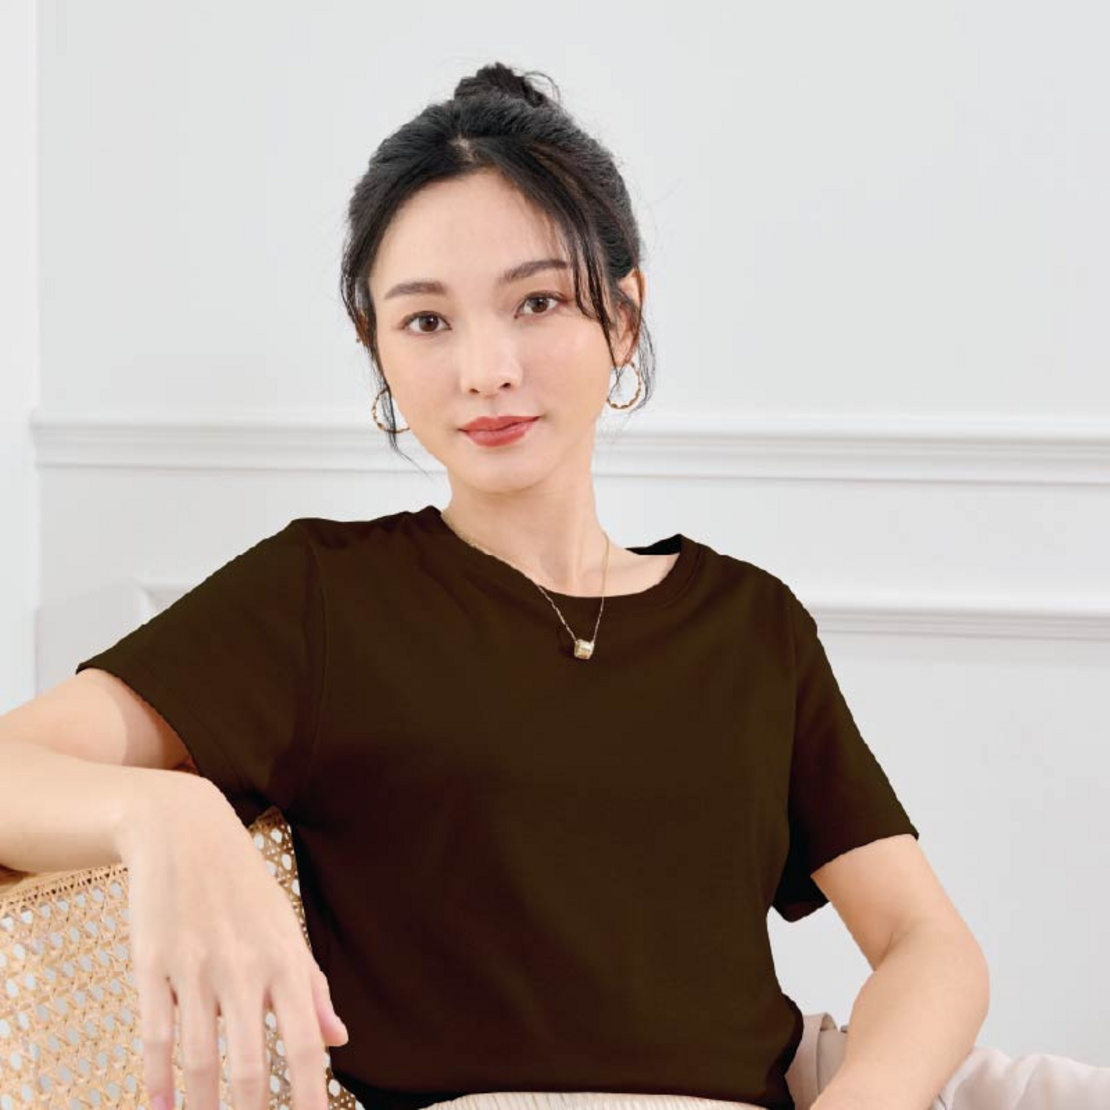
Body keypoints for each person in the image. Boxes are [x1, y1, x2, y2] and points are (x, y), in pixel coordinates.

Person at [5, 59, 1099, 1110]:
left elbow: (924, 941)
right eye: (427, 321)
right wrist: (166, 811)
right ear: (376, 346)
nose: (486, 370)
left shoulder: (748, 621)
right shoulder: (319, 597)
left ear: (623, 317)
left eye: (535, 303)